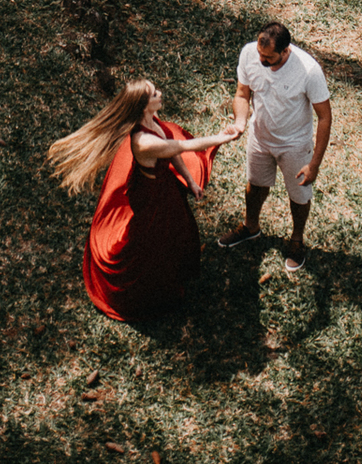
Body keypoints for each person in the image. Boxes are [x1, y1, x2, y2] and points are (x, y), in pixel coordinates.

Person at [48, 78, 239, 321]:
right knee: (148, 243)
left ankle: (174, 273)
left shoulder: (153, 120)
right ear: (143, 105)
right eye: (153, 94)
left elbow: (173, 152)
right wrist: (222, 137)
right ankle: (148, 293)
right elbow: (183, 146)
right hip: (149, 198)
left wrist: (190, 180)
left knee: (174, 231)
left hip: (164, 187)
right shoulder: (143, 141)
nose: (160, 93)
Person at [218, 21, 332, 275]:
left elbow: (325, 117)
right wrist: (240, 122)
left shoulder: (309, 70)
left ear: (285, 51)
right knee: (255, 186)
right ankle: (250, 227)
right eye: (260, 54)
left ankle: (297, 240)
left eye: (268, 58)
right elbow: (242, 94)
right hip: (260, 137)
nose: (261, 60)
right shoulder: (250, 53)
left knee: (299, 195)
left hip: (294, 143)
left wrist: (314, 164)